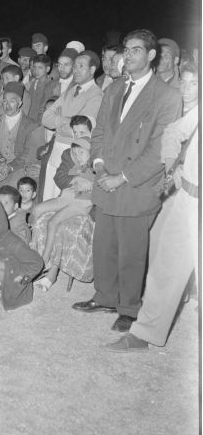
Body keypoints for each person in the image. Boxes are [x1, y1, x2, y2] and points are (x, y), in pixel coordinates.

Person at [72, 28, 182, 333]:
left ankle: (129, 308)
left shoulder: (167, 96)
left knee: (131, 252)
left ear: (150, 55)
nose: (129, 55)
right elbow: (99, 133)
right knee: (104, 245)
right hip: (105, 177)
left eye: (136, 50)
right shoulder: (114, 89)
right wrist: (98, 165)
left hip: (135, 185)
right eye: (127, 49)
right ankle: (105, 296)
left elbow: (160, 148)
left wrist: (121, 177)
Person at [105, 63, 198, 352]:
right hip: (188, 200)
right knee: (165, 268)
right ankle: (142, 335)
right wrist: (174, 163)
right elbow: (172, 131)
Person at [31, 137, 94, 289]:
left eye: (81, 152)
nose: (77, 156)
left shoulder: (94, 168)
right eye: (75, 153)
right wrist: (76, 178)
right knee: (36, 210)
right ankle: (33, 250)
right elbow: (63, 178)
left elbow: (95, 187)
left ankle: (45, 260)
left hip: (80, 204)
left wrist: (88, 184)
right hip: (67, 197)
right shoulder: (76, 165)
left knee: (53, 222)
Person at [41, 50, 103, 201]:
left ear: (92, 70)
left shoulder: (97, 95)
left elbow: (81, 131)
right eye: (74, 66)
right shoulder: (70, 91)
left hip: (73, 157)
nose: (75, 70)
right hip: (55, 150)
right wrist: (67, 120)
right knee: (47, 195)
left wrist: (59, 120)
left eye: (80, 66)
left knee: (63, 200)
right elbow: (45, 118)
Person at [24, 53, 57, 123]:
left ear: (47, 69)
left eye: (40, 68)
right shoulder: (30, 83)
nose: (36, 71)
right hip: (27, 122)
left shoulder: (53, 85)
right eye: (34, 67)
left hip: (40, 124)